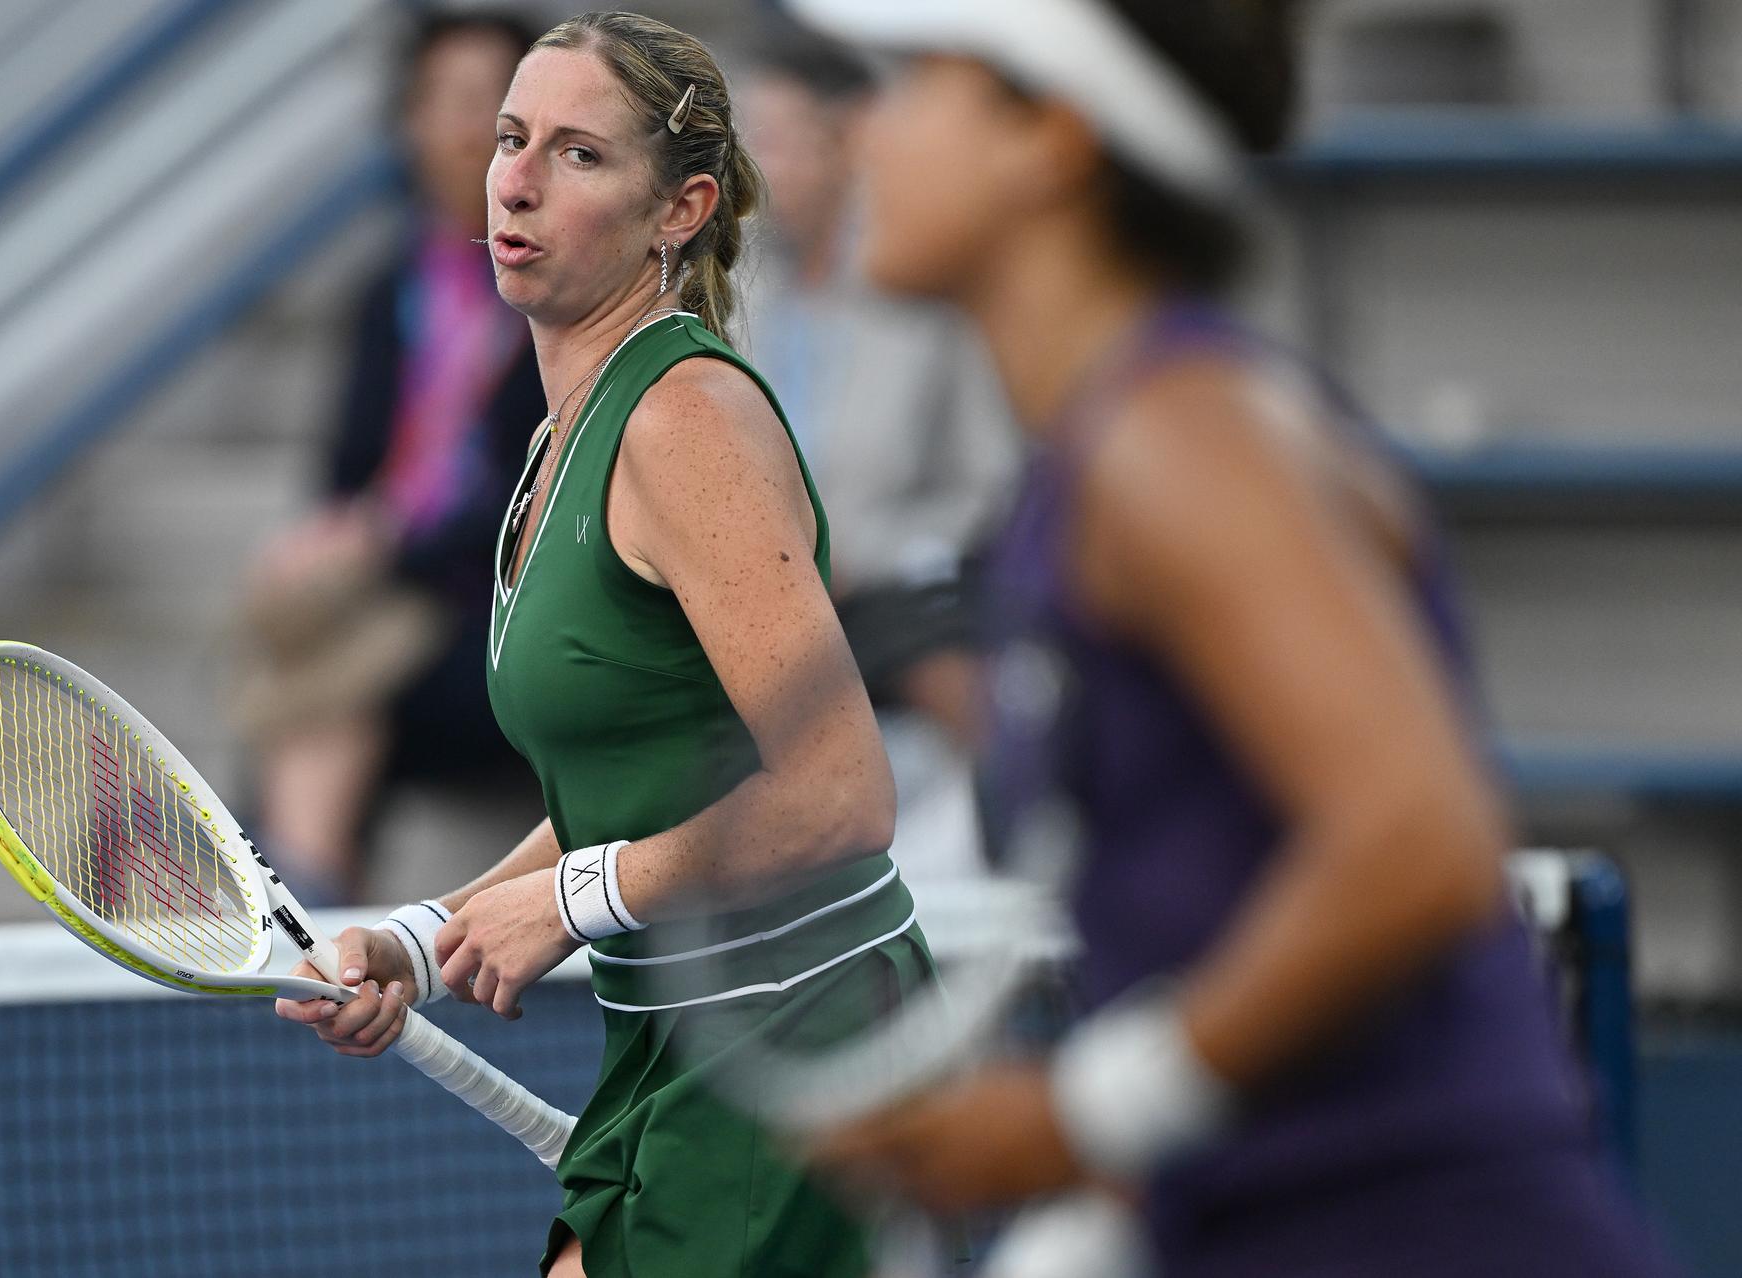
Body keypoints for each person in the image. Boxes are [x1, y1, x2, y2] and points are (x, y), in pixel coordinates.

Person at [785, 1, 1680, 1275]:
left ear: (1048, 136)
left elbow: (1418, 840)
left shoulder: (1174, 442)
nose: (864, 131)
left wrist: (1086, 1117)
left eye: (920, 81)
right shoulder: (1100, 456)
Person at [276, 13, 925, 1278]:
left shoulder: (682, 420)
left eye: (578, 155)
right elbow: (636, 790)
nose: (512, 177)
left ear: (679, 209)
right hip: (677, 1029)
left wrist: (578, 903)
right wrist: (427, 934)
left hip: (793, 1031)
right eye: (512, 139)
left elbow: (843, 791)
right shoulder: (560, 433)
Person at [232, 10, 543, 904]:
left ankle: (298, 924)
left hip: (502, 618)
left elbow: (540, 499)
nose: (466, 132)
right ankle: (312, 909)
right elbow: (347, 474)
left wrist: (384, 545)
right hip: (397, 609)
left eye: (491, 107)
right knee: (317, 670)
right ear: (406, 123)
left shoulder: (558, 289)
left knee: (316, 699)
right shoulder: (388, 292)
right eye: (442, 103)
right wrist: (343, 543)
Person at [739, 26, 1018, 885]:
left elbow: (990, 481)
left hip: (882, 582)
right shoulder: (731, 289)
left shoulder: (916, 281)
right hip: (750, 588)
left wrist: (871, 552)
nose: (759, 170)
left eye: (780, 141)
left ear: (847, 141)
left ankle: (1025, 854)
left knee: (947, 655)